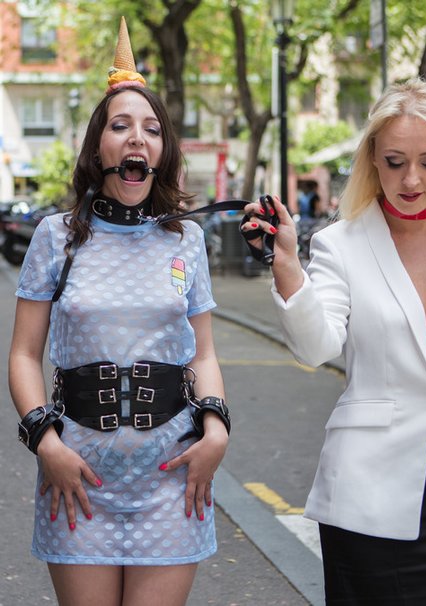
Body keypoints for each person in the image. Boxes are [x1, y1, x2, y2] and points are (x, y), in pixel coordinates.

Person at [242, 78, 426, 605]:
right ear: (372, 159)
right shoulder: (341, 243)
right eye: (394, 162)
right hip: (366, 500)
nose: (411, 180)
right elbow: (315, 347)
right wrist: (288, 267)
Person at [8, 18, 230, 606]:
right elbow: (25, 355)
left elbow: (203, 352)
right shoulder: (57, 238)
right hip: (77, 477)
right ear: (98, 145)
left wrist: (216, 428)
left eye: (151, 129)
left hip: (172, 480)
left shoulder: (186, 240)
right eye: (121, 126)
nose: (137, 138)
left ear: (162, 151)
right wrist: (46, 443)